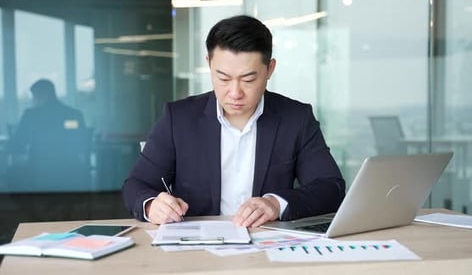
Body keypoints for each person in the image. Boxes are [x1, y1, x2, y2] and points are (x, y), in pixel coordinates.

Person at [122, 15, 345, 228]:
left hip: (267, 245)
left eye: (248, 79)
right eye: (224, 78)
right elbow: (136, 185)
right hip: (197, 246)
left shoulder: (295, 118)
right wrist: (151, 205)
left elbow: (330, 187)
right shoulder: (178, 119)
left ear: (270, 69)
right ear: (209, 64)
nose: (235, 93)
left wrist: (276, 204)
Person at [7, 79, 88, 189]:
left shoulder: (31, 115)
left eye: (34, 96)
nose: (33, 100)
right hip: (71, 169)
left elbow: (19, 142)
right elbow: (82, 142)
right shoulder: (74, 114)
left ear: (41, 95)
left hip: (39, 170)